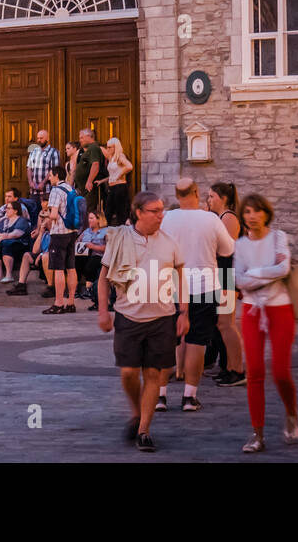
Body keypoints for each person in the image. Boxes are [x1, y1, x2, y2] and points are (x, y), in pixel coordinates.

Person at [98, 190, 187, 453]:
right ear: (139, 212)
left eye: (162, 210)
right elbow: (103, 278)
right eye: (155, 211)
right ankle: (137, 412)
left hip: (162, 318)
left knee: (152, 374)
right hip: (128, 316)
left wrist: (184, 313)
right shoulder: (121, 240)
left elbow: (181, 277)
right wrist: (104, 311)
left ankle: (144, 430)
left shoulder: (170, 242)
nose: (161, 215)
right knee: (128, 373)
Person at [234, 193, 298, 453]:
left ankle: (291, 412)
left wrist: (254, 273)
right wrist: (265, 273)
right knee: (254, 372)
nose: (252, 216)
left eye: (257, 211)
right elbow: (239, 281)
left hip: (280, 309)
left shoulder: (278, 238)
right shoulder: (240, 245)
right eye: (247, 212)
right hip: (251, 311)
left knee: (281, 371)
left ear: (266, 213)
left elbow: (283, 270)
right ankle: (257, 434)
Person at [159, 179, 233, 411]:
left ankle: (160, 396)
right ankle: (189, 397)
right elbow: (227, 250)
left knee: (166, 342)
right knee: (197, 342)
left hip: (171, 287)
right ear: (196, 192)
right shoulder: (210, 219)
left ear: (176, 194)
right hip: (204, 286)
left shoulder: (166, 219)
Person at [208, 181, 246, 387]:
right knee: (222, 324)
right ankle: (229, 367)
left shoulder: (228, 217)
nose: (209, 200)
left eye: (212, 196)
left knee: (227, 325)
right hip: (221, 275)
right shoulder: (221, 218)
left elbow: (227, 250)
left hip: (226, 275)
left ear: (223, 198)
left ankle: (237, 370)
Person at [43, 165, 82, 314]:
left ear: (56, 175)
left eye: (50, 176)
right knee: (71, 268)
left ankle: (58, 303)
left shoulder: (56, 190)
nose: (49, 178)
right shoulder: (70, 189)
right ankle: (71, 302)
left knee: (58, 269)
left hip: (59, 232)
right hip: (72, 232)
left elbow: (53, 215)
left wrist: (45, 215)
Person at [0, 196, 32, 286]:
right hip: (6, 242)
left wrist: (1, 238)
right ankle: (0, 274)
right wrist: (0, 237)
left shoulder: (22, 221)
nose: (6, 210)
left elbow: (15, 234)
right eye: (6, 208)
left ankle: (9, 275)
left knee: (6, 244)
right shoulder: (5, 220)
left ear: (15, 211)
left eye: (9, 208)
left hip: (20, 244)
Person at [74, 210, 107, 310]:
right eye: (89, 218)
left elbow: (108, 248)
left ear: (99, 220)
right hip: (84, 255)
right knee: (76, 262)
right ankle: (75, 289)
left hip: (99, 256)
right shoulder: (86, 231)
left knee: (92, 262)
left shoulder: (105, 231)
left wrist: (93, 246)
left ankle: (88, 289)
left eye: (92, 218)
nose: (89, 220)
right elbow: (77, 241)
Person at [103, 137, 133, 228]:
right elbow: (112, 174)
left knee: (121, 214)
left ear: (115, 147)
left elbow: (129, 166)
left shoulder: (120, 156)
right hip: (112, 188)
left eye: (110, 147)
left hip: (120, 187)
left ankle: (123, 234)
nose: (108, 149)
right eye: (107, 147)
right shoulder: (111, 158)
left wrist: (119, 174)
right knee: (108, 212)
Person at [78, 129, 106, 220]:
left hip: (90, 189)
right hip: (85, 189)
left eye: (82, 137)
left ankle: (91, 232)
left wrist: (89, 181)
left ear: (89, 136)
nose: (80, 140)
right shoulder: (90, 149)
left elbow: (95, 164)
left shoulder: (94, 148)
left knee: (89, 213)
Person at [26, 129, 60, 200]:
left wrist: (43, 183)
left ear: (47, 139)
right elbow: (29, 168)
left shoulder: (53, 152)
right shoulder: (33, 151)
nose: (39, 140)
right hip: (34, 191)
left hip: (47, 190)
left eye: (41, 138)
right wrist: (30, 182)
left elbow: (53, 170)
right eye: (38, 138)